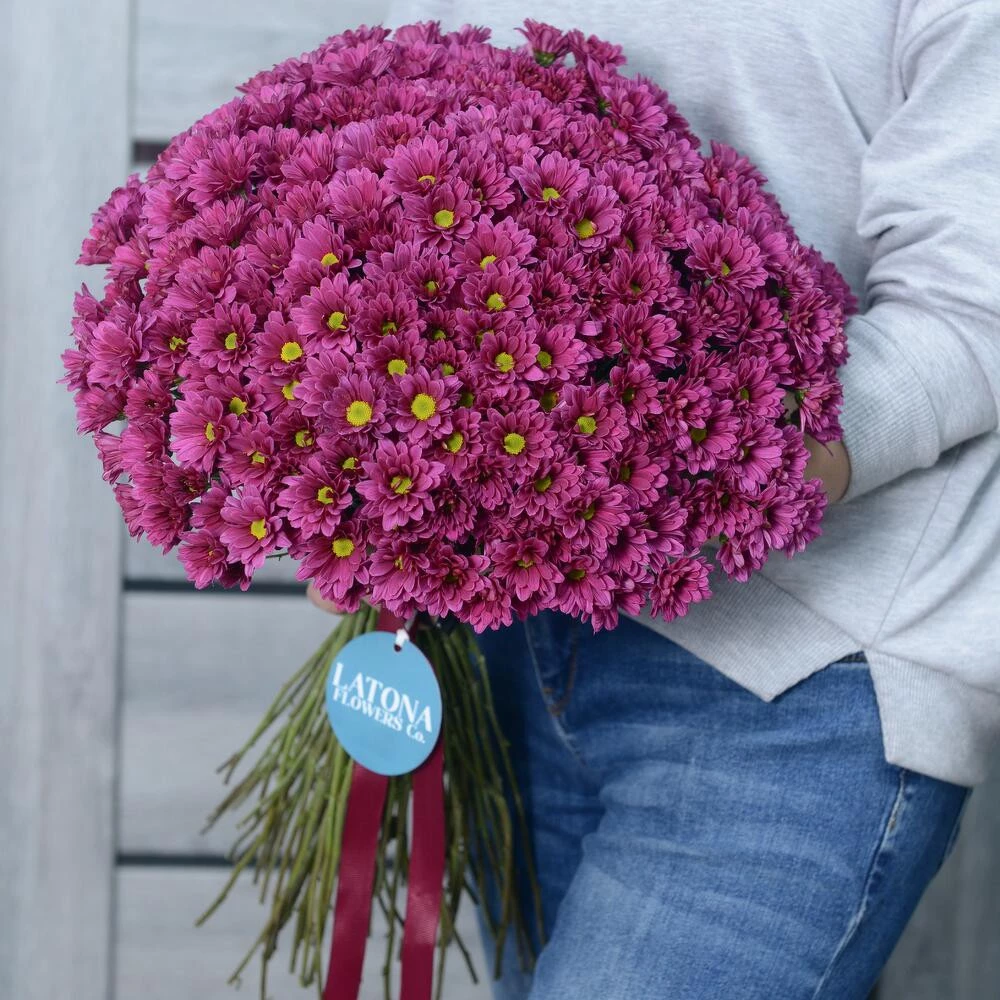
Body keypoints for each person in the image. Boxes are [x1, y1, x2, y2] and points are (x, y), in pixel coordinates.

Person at [310, 1, 1000, 995]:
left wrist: (668, 471)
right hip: (519, 635)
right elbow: (404, 113)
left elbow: (971, 313)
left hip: (802, 670)